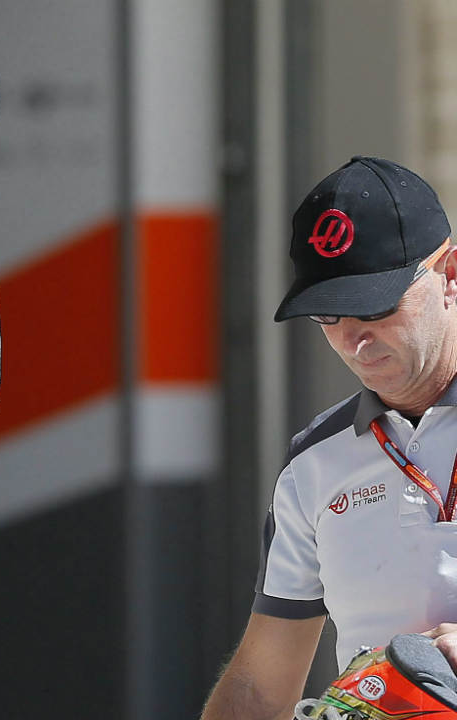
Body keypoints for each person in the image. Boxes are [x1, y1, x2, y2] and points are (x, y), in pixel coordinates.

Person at [201, 156, 457, 719]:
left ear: (451, 274)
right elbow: (259, 689)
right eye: (328, 317)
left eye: (376, 308)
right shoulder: (314, 463)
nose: (354, 342)